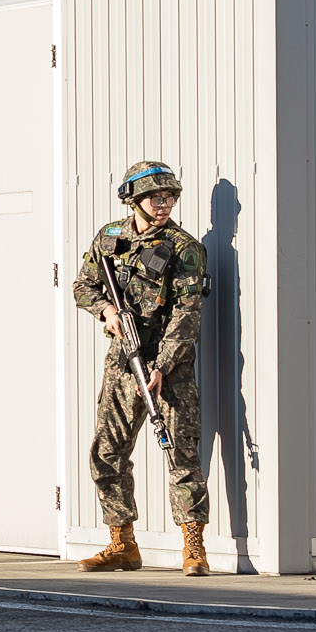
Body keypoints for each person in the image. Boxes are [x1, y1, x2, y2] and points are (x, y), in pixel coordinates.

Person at [74, 162, 211, 577]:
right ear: (134, 200)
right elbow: (83, 286)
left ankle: (194, 547)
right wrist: (106, 311)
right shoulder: (110, 238)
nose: (163, 204)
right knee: (107, 452)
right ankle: (123, 544)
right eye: (155, 197)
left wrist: (162, 367)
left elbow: (188, 315)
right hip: (122, 361)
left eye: (170, 197)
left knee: (180, 453)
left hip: (169, 366)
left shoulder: (184, 247)